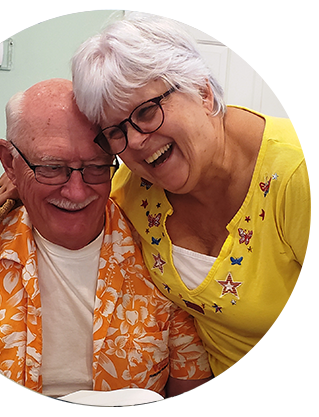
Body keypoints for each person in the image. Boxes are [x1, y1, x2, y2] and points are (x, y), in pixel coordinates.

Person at [68, 13, 312, 407]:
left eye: (146, 112)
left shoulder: (300, 174)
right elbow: (67, 182)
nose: (136, 141)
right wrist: (18, 180)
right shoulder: (133, 190)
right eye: (116, 131)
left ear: (203, 92)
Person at [0, 78, 214, 407]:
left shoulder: (158, 248)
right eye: (51, 168)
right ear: (9, 163)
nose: (76, 192)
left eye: (95, 167)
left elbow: (193, 400)